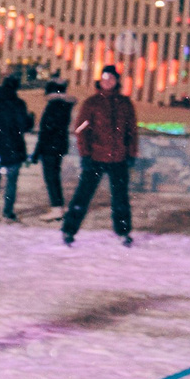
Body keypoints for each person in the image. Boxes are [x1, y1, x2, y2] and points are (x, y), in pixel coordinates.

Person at [61, 65, 139, 247]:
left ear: (117, 81)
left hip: (119, 158)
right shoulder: (92, 103)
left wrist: (131, 153)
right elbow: (80, 129)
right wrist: (85, 153)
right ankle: (69, 230)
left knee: (120, 198)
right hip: (95, 157)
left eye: (111, 78)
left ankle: (123, 232)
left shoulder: (125, 103)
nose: (108, 81)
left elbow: (131, 131)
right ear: (100, 81)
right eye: (105, 78)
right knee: (83, 195)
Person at [0, 74, 31, 221]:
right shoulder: (19, 104)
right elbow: (24, 125)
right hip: (14, 147)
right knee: (11, 181)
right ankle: (8, 212)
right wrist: (30, 120)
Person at [33, 78, 74, 208]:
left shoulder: (53, 106)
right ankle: (57, 205)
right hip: (58, 146)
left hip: (49, 147)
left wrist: (37, 151)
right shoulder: (65, 106)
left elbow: (46, 131)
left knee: (50, 177)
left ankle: (56, 206)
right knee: (54, 176)